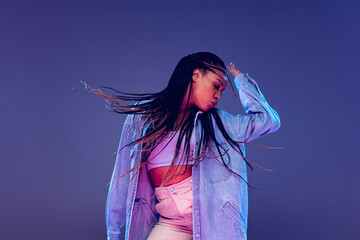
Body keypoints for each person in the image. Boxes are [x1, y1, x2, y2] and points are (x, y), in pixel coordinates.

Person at [85, 52, 280, 240]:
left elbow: (268, 121)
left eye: (221, 91)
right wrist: (114, 234)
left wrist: (241, 81)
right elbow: (121, 181)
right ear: (196, 75)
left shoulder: (220, 123)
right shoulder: (141, 119)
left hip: (215, 228)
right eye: (216, 86)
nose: (219, 95)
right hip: (171, 225)